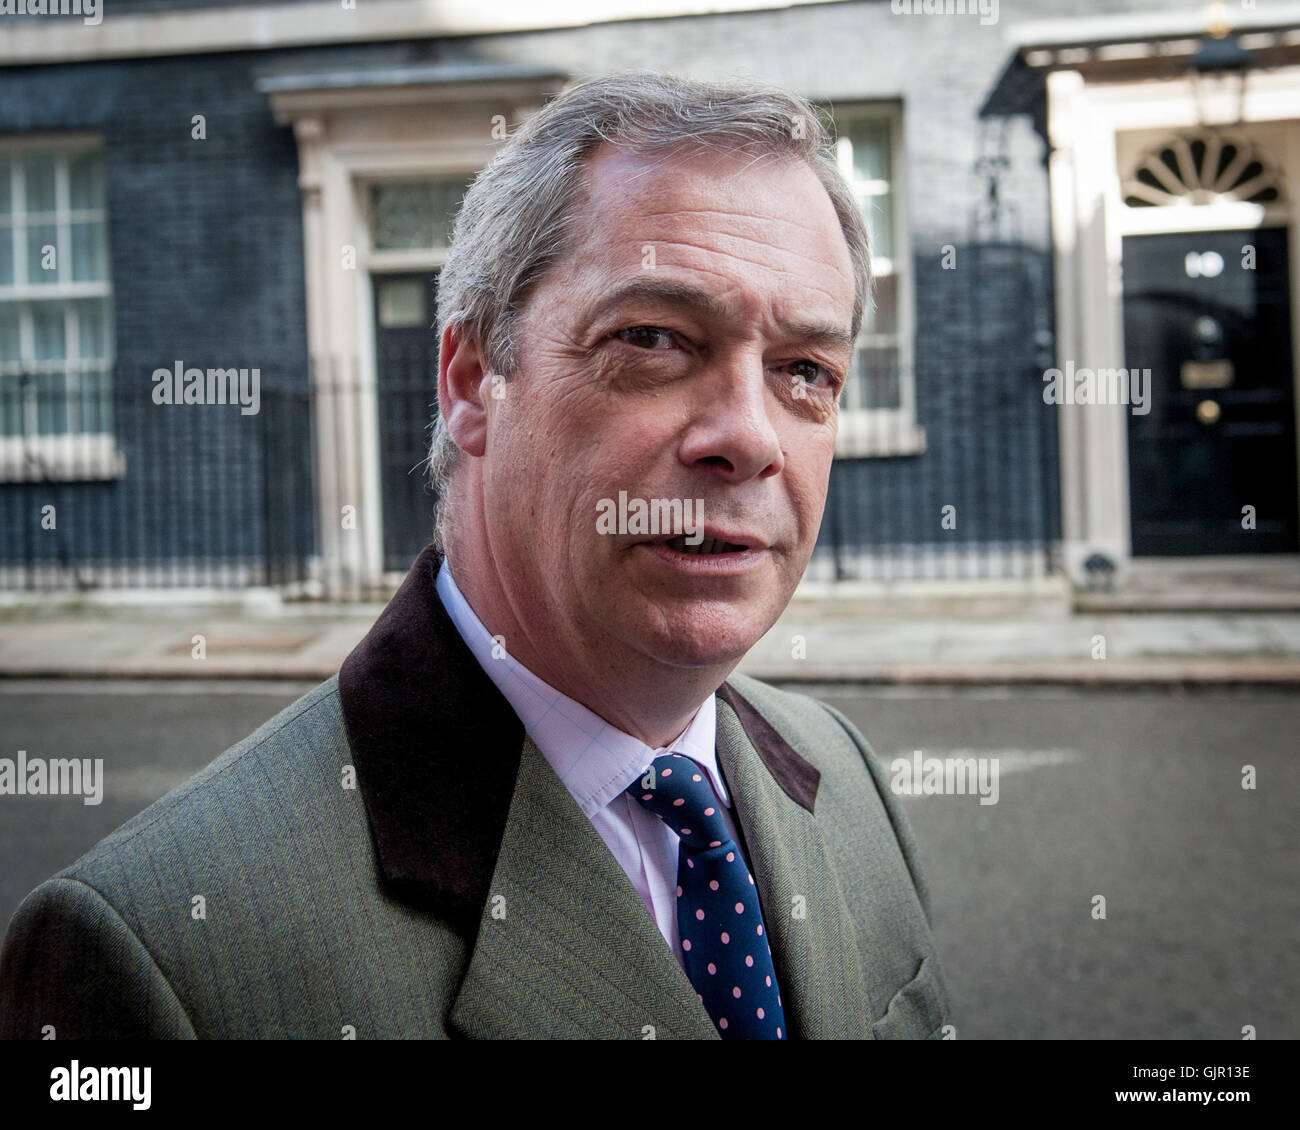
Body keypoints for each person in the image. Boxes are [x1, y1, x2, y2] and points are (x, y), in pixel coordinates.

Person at [0, 71, 950, 1040]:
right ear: (469, 379)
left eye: (804, 370)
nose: (749, 436)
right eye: (655, 337)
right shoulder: (157, 952)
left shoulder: (845, 769)